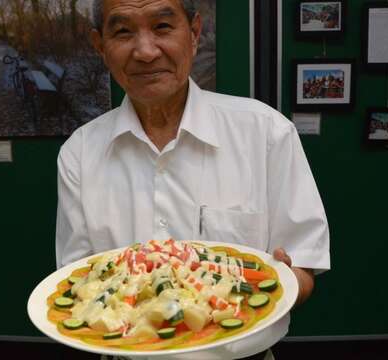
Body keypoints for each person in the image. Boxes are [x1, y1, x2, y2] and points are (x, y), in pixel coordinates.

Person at [55, 0, 330, 359]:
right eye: (123, 31)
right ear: (100, 46)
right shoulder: (80, 152)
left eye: (163, 27)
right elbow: (75, 281)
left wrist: (287, 281)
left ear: (195, 33)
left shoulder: (266, 133)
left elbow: (304, 262)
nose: (145, 51)